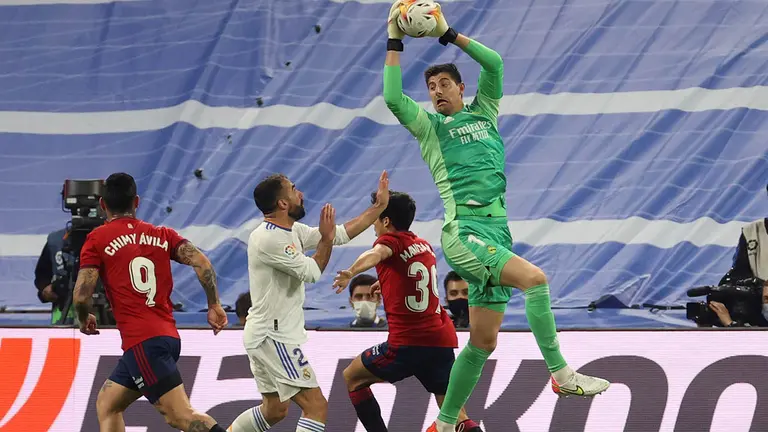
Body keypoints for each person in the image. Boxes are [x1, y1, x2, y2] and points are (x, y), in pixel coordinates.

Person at [381, 2, 610, 431]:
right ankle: (561, 375)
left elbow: (496, 63)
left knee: (482, 342)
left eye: (444, 83)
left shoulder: (485, 112)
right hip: (463, 232)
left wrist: (447, 32)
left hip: (498, 232)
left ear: (461, 87)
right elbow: (393, 97)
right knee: (536, 281)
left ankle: (446, 423)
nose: (436, 92)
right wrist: (395, 36)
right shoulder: (431, 127)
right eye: (431, 87)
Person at [227, 171, 390, 432]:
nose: (300, 193)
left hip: (267, 334)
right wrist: (325, 239)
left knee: (274, 410)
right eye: (293, 189)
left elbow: (339, 234)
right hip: (274, 335)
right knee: (316, 407)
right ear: (282, 203)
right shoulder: (270, 238)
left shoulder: (290, 230)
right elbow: (313, 272)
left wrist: (377, 207)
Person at [72, 173, 229, 432]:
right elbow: (203, 263)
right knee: (107, 403)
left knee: (181, 416)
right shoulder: (162, 234)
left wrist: (83, 317)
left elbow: (81, 295)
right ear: (136, 202)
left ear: (103, 205)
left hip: (142, 343)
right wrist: (214, 304)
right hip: (166, 337)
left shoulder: (98, 239)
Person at [332, 190, 482, 432]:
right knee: (455, 416)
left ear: (387, 221)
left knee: (353, 377)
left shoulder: (389, 242)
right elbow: (415, 278)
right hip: (441, 339)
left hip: (408, 343)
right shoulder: (423, 246)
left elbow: (375, 254)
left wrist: (351, 271)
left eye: (377, 217)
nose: (373, 223)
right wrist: (388, 283)